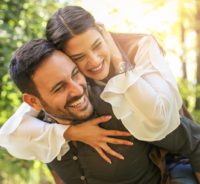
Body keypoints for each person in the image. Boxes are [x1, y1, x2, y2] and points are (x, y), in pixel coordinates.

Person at [8, 39, 200, 183]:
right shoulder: (37, 133)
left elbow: (194, 141)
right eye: (59, 88)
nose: (77, 89)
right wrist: (69, 133)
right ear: (33, 101)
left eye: (75, 73)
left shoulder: (120, 103)